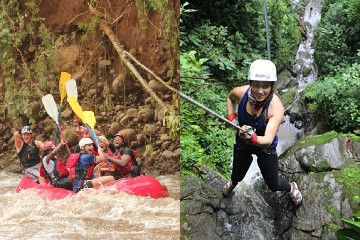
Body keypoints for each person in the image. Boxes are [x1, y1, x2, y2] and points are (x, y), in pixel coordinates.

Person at [222, 59, 303, 207]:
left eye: (265, 86)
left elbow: (267, 139)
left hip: (265, 148)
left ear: (272, 86)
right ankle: (233, 183)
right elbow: (230, 98)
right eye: (256, 85)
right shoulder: (241, 93)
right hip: (243, 144)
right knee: (237, 175)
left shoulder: (275, 107)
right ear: (250, 83)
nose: (260, 91)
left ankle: (291, 187)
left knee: (273, 184)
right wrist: (232, 117)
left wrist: (251, 137)